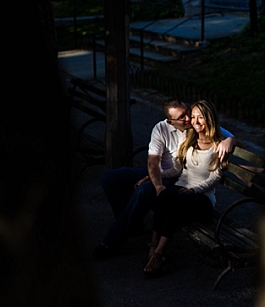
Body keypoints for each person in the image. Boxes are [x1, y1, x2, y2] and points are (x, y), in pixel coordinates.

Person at [93, 98, 234, 259]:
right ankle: (134, 225)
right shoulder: (161, 128)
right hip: (162, 173)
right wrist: (155, 180)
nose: (188, 119)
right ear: (171, 121)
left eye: (187, 112)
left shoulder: (197, 126)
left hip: (179, 180)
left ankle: (113, 240)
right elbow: (153, 162)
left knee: (144, 190)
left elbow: (229, 139)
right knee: (110, 179)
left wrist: (231, 140)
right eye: (182, 117)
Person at [143, 100, 227, 276]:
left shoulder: (218, 144)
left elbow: (216, 177)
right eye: (193, 117)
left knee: (178, 201)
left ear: (209, 118)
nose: (195, 122)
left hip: (202, 198)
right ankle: (154, 246)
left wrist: (194, 190)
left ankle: (159, 253)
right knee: (164, 195)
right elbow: (178, 168)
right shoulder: (190, 138)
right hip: (182, 190)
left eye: (200, 118)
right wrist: (155, 176)